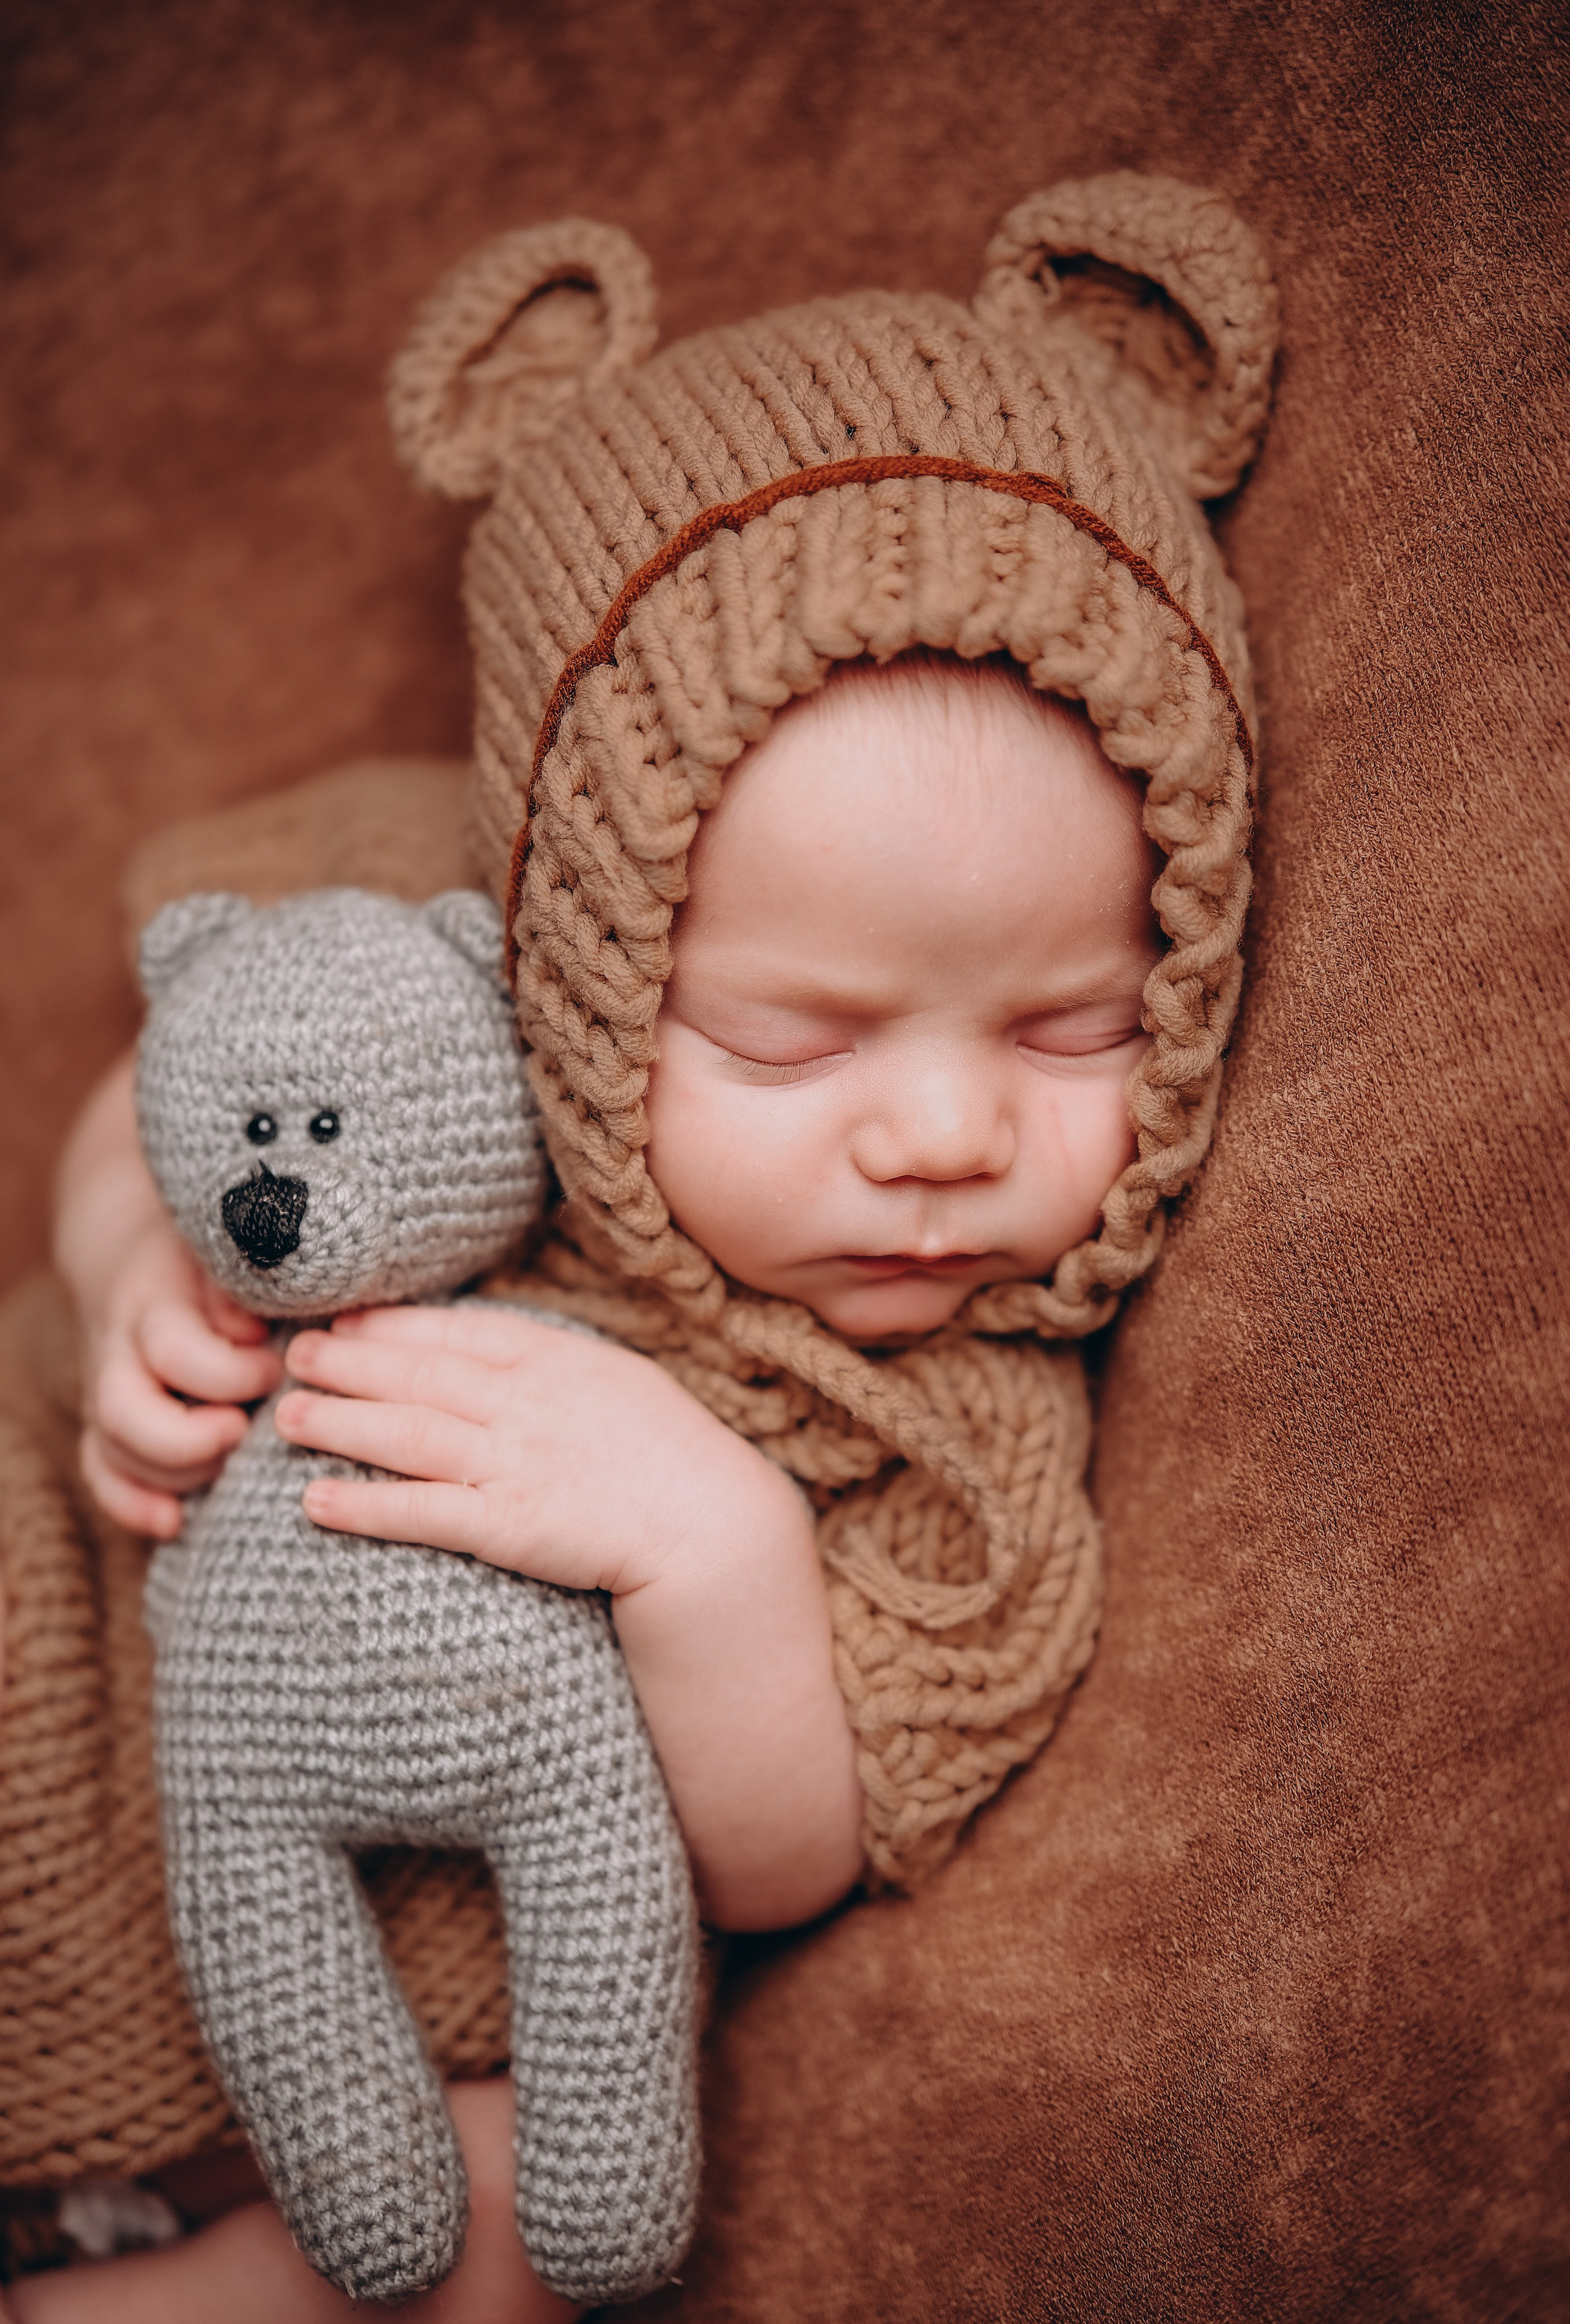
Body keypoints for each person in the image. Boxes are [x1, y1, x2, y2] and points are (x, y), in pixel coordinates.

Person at [6, 178, 1276, 2315]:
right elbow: (176, 1051)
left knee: (518, 2232)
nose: (948, 1137)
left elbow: (793, 1851)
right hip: (74, 1666)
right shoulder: (442, 925)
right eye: (798, 1040)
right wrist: (136, 1249)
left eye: (1078, 1026)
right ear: (583, 956)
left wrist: (716, 1546)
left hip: (398, 2054)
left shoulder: (953, 1427)